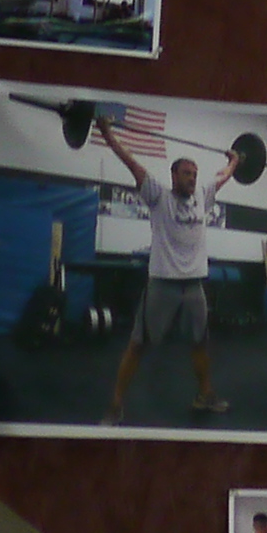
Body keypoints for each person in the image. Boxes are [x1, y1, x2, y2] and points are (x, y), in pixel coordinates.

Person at [98, 116, 231, 425]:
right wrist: (107, 133)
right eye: (186, 173)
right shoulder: (158, 196)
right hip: (163, 285)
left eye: (194, 174)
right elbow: (131, 163)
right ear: (174, 175)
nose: (192, 179)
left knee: (200, 343)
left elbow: (224, 176)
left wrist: (235, 161)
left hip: (194, 287)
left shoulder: (202, 197)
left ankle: (205, 395)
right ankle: (116, 404)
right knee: (138, 345)